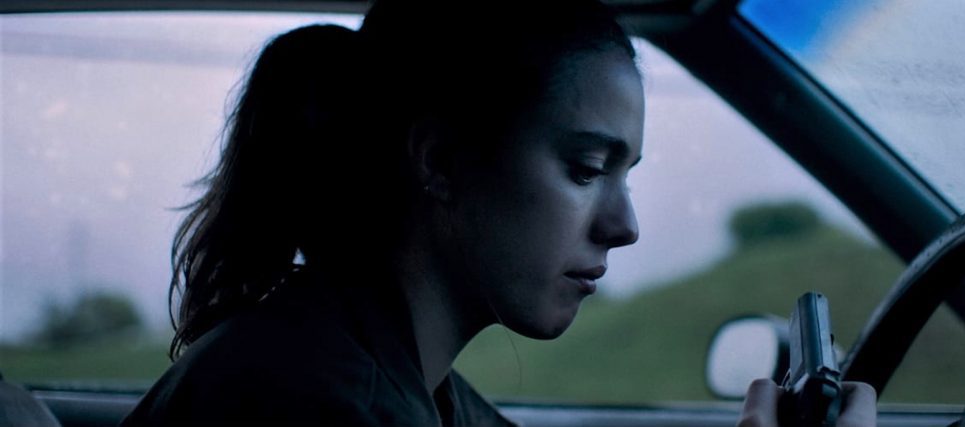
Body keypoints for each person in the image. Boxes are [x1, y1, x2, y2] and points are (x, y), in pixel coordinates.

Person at [122, 1, 877, 426]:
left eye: (626, 176)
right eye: (587, 169)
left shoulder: (400, 375)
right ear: (441, 162)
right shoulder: (323, 405)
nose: (624, 226)